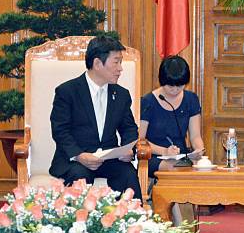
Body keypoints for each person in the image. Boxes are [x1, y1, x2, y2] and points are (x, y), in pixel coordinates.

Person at [49, 35, 142, 200]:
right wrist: (79, 155)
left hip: (109, 158)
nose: (120, 68)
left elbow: (129, 128)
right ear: (98, 63)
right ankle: (78, 224)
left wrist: (129, 149)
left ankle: (134, 222)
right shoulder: (67, 92)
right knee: (79, 176)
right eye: (116, 62)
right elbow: (60, 130)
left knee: (128, 174)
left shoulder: (121, 94)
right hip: (76, 160)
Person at [140, 55, 204, 178]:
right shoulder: (148, 102)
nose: (175, 90)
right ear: (162, 81)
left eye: (180, 86)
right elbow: (140, 140)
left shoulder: (191, 99)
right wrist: (164, 151)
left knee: (200, 166)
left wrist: (199, 151)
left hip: (181, 156)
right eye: (170, 86)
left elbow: (195, 136)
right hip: (154, 156)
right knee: (172, 167)